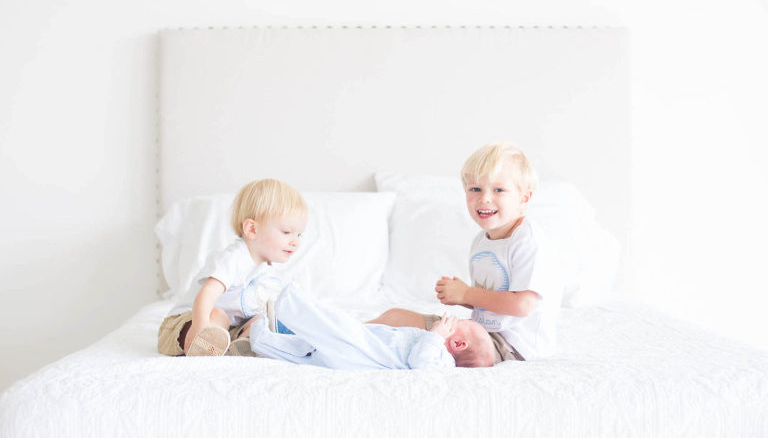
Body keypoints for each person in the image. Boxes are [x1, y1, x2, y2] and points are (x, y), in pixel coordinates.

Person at [376, 142, 560, 362]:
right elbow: (493, 300)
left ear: (524, 198)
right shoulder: (482, 241)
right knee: (394, 317)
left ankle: (354, 344)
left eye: (499, 190)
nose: (484, 198)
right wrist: (461, 297)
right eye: (475, 189)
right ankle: (347, 336)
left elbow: (522, 304)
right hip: (485, 333)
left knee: (441, 344)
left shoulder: (527, 241)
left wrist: (466, 294)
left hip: (515, 346)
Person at [157, 179, 308, 357]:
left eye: (299, 234)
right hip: (187, 322)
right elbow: (205, 295)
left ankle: (239, 346)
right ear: (252, 229)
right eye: (286, 232)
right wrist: (199, 328)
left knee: (263, 320)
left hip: (227, 330)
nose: (295, 242)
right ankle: (203, 343)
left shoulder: (265, 270)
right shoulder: (233, 258)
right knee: (219, 316)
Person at [248, 284, 496, 369]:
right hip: (363, 344)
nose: (449, 321)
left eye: (458, 323)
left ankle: (290, 303)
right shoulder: (439, 354)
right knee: (304, 351)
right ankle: (262, 339)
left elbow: (421, 363)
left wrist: (436, 334)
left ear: (458, 343)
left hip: (362, 350)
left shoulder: (441, 359)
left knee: (331, 324)